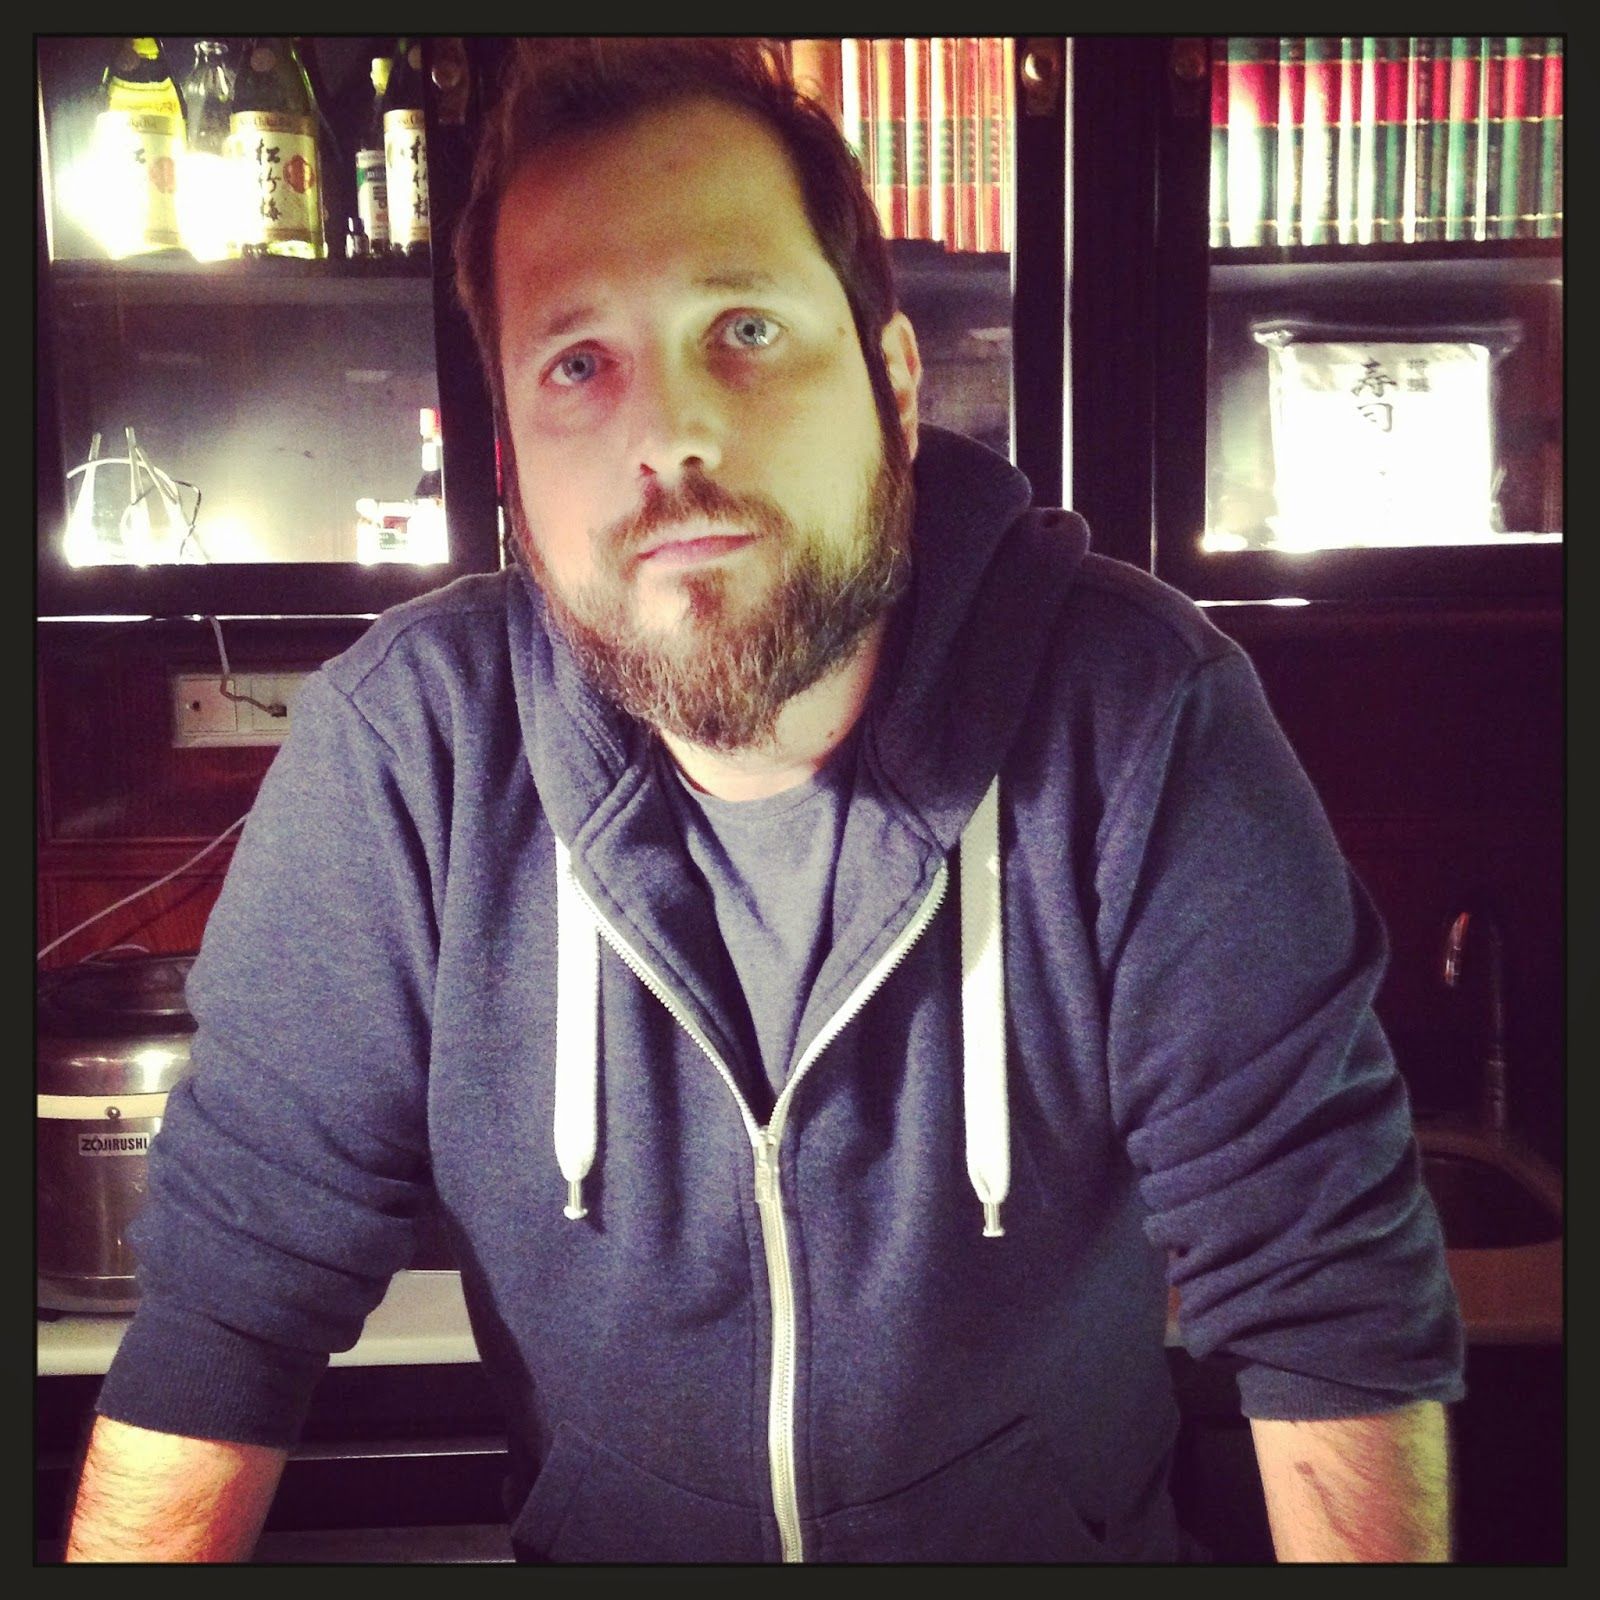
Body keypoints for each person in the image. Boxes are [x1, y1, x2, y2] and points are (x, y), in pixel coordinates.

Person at [64, 37, 1463, 1564]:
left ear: (894, 383)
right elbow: (225, 1312)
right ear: (509, 464)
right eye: (578, 363)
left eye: (743, 327)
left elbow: (1327, 1298)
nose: (670, 432)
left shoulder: (1142, 720)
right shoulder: (405, 757)